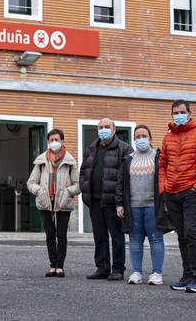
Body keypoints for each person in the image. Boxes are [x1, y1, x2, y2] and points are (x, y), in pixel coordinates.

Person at [160, 100, 196, 293]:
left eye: (182, 112)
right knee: (181, 236)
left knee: (190, 233)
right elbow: (162, 165)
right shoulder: (168, 138)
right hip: (172, 194)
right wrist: (164, 189)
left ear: (189, 113)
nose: (178, 115)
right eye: (175, 113)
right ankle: (186, 276)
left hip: (190, 193)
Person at [80, 117, 132, 281]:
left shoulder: (124, 148)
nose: (103, 130)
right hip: (94, 200)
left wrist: (121, 201)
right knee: (99, 235)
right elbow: (84, 171)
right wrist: (84, 188)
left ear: (114, 129)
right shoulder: (91, 148)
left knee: (116, 236)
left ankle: (118, 269)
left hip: (113, 201)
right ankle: (102, 268)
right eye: (100, 127)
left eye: (106, 127)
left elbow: (127, 177)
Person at [122, 124, 173, 286]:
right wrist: (119, 204)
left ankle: (157, 273)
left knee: (155, 239)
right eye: (138, 136)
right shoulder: (128, 159)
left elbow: (167, 179)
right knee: (135, 240)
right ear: (134, 140)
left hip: (153, 206)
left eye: (144, 136)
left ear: (150, 139)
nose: (141, 139)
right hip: (133, 207)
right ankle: (136, 273)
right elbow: (120, 184)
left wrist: (166, 201)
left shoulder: (159, 156)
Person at [26, 128, 80, 278]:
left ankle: (60, 266)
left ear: (62, 141)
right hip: (45, 202)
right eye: (51, 140)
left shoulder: (70, 161)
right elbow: (30, 182)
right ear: (48, 142)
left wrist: (68, 192)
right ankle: (52, 265)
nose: (54, 142)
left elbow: (78, 185)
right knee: (50, 235)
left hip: (63, 203)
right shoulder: (41, 161)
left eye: (56, 140)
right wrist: (39, 191)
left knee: (61, 235)